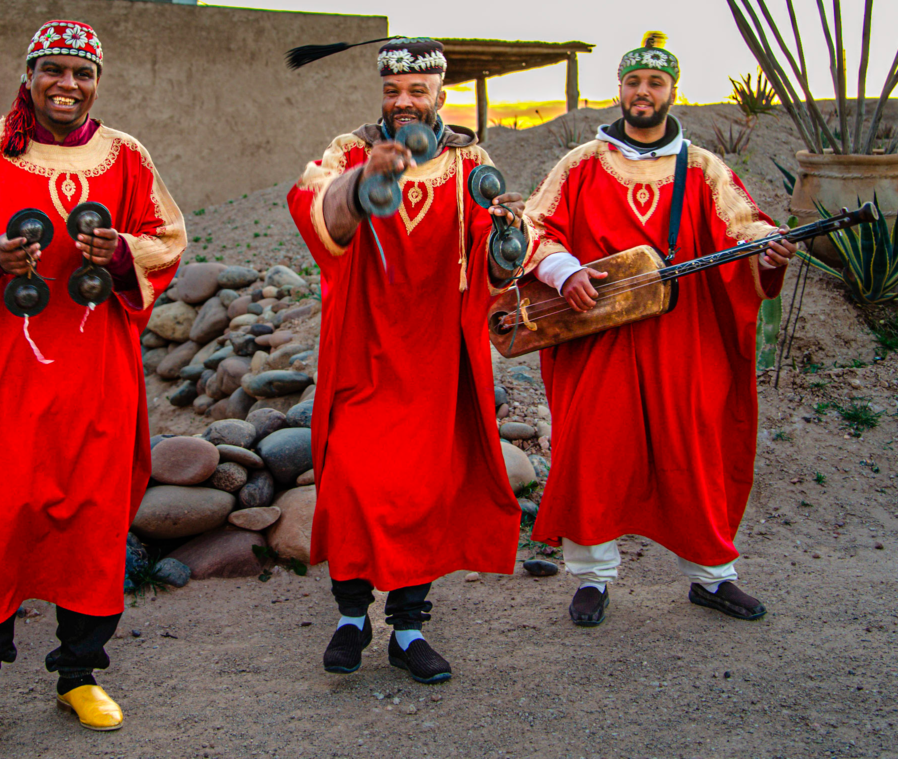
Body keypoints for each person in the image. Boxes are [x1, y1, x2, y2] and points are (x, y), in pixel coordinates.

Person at [0, 20, 185, 748]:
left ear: (96, 81)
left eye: (82, 73)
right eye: (54, 70)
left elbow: (167, 235)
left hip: (92, 373)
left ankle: (80, 674)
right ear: (29, 74)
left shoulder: (126, 155)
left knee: (90, 521)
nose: (68, 85)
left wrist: (119, 253)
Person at [524, 32, 796, 627]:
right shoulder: (581, 165)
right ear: (619, 89)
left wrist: (765, 255)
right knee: (595, 452)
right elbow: (533, 229)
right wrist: (564, 270)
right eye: (632, 82)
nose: (642, 92)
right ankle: (592, 578)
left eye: (654, 82)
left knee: (691, 450)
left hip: (684, 341)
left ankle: (711, 576)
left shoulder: (702, 167)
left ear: (673, 90)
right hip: (600, 338)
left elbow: (744, 227)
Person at [288, 38, 537, 683]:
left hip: (434, 360)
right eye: (393, 91)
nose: (403, 102)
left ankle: (407, 629)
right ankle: (350, 619)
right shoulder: (350, 151)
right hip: (363, 353)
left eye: (416, 92)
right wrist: (367, 178)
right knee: (349, 483)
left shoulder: (468, 161)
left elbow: (492, 257)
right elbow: (314, 211)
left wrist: (510, 234)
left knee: (421, 494)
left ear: (439, 97)